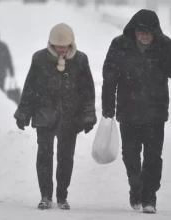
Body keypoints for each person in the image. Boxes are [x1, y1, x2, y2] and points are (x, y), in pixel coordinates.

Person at [14, 23, 96, 210]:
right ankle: (45, 195)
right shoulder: (39, 58)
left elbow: (87, 91)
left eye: (64, 45)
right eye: (58, 45)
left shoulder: (81, 60)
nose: (61, 49)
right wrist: (23, 112)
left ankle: (62, 196)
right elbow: (30, 88)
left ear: (71, 43)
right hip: (44, 114)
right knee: (44, 156)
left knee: (66, 157)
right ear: (51, 43)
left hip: (70, 116)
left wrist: (88, 114)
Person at [102, 9, 171, 214]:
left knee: (152, 157)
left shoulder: (164, 46)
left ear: (155, 32)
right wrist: (108, 107)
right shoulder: (119, 45)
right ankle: (136, 187)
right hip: (128, 110)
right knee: (130, 155)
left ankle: (150, 197)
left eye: (149, 32)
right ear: (134, 30)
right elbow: (109, 78)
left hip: (155, 112)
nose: (144, 35)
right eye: (140, 31)